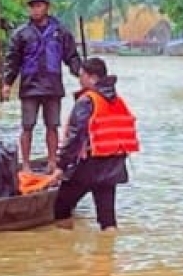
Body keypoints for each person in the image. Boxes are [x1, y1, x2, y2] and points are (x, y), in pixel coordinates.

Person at [0, 0, 83, 173]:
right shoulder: (21, 34)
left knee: (52, 125)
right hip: (30, 86)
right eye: (33, 7)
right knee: (27, 126)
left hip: (52, 86)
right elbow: (12, 61)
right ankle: (26, 165)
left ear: (47, 8)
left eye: (39, 6)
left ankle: (52, 162)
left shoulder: (60, 32)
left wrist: (81, 74)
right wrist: (7, 83)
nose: (35, 10)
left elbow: (71, 56)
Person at [54, 58, 139, 231]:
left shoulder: (87, 100)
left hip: (90, 165)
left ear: (92, 78)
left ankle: (64, 244)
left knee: (61, 206)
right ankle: (109, 247)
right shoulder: (117, 100)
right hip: (113, 164)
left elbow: (75, 137)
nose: (79, 80)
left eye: (82, 76)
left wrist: (61, 166)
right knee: (107, 219)